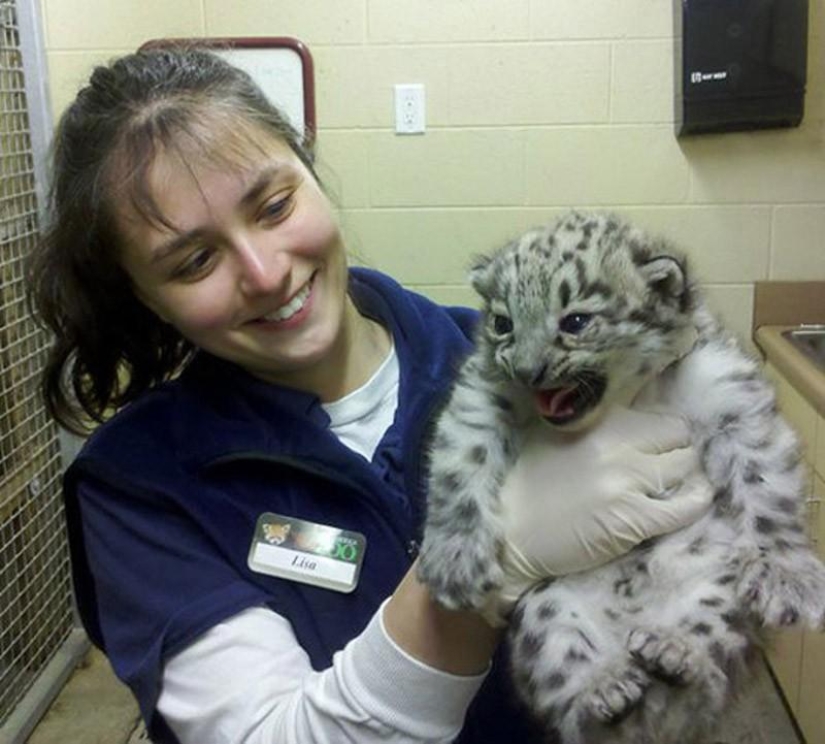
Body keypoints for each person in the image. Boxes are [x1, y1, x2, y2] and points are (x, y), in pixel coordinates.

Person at [28, 47, 713, 744]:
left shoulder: (510, 367)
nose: (264, 273)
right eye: (195, 261)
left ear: (309, 168)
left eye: (274, 206)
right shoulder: (141, 483)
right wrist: (486, 557)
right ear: (145, 298)